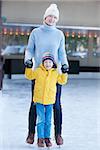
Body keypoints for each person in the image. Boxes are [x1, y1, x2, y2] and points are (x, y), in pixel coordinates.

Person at [24, 3, 69, 145]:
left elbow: (62, 53)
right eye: (50, 16)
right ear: (45, 17)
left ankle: (58, 135)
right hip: (39, 74)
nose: (52, 19)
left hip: (54, 75)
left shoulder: (59, 34)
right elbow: (29, 49)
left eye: (55, 17)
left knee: (56, 105)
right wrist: (28, 61)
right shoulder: (36, 33)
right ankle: (31, 134)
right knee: (34, 104)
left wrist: (65, 65)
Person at [25, 54, 68, 147]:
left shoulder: (55, 73)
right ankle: (40, 139)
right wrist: (28, 67)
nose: (47, 64)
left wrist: (64, 73)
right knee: (41, 120)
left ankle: (47, 138)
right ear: (42, 63)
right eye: (46, 62)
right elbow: (29, 76)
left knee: (48, 121)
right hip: (39, 100)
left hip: (50, 101)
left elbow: (62, 81)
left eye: (49, 62)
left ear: (53, 63)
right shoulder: (38, 71)